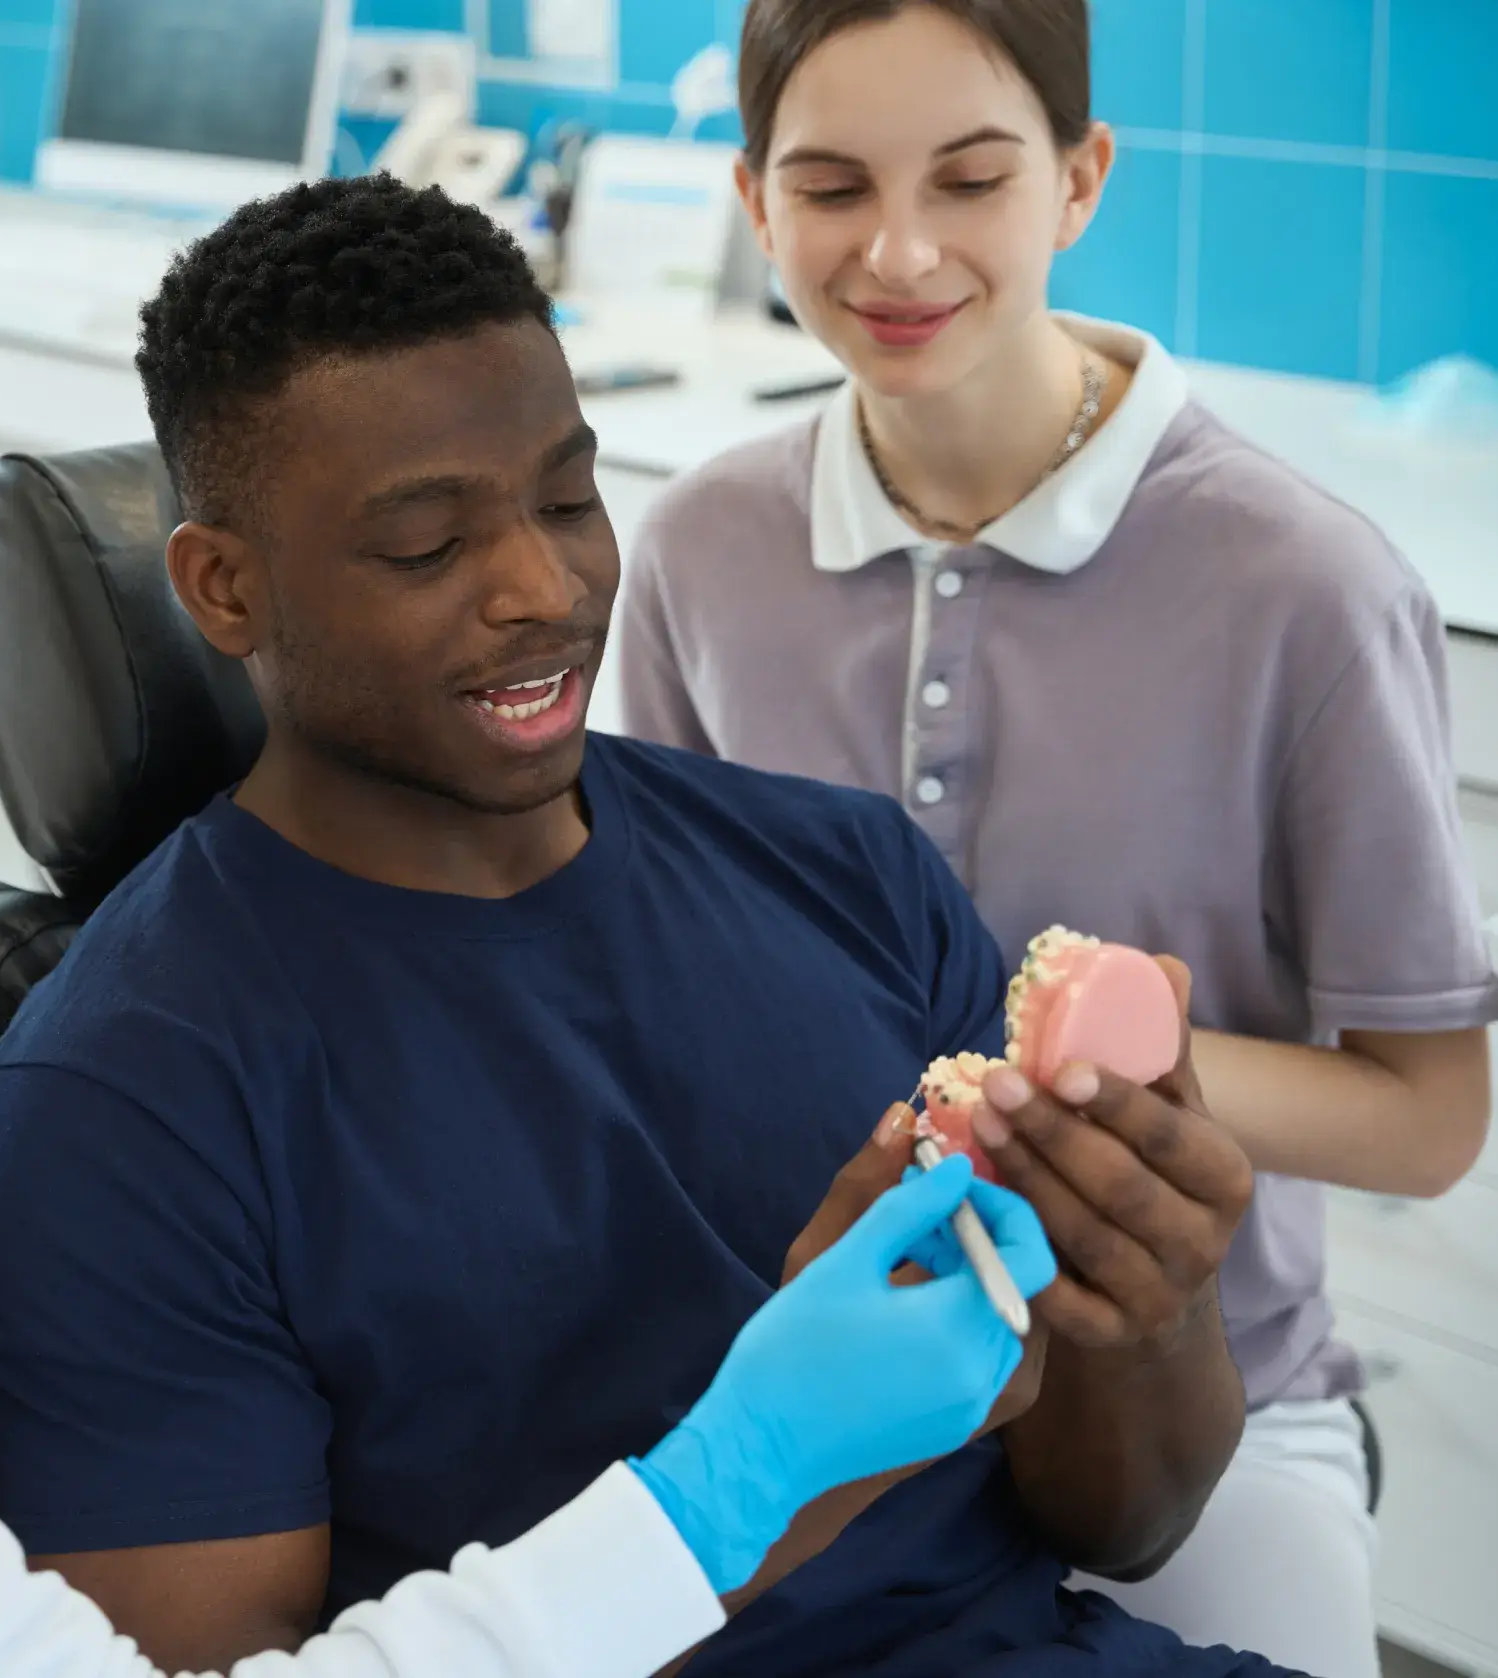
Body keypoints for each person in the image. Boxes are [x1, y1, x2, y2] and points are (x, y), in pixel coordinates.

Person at [0, 173, 1291, 1678]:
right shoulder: (118, 1112)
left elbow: (1123, 1521)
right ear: (224, 585)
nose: (544, 584)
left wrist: (1148, 1306)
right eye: (426, 545)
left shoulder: (841, 872)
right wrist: (765, 1467)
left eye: (569, 498)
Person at [614, 0, 1498, 1672]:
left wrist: (1067, 1074)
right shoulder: (698, 549)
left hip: (1198, 1392)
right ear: (749, 202)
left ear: (1079, 180)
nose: (896, 251)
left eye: (968, 179)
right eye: (827, 188)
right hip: (814, 1370)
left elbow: (1428, 1121)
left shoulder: (1303, 584)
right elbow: (658, 981)